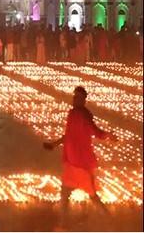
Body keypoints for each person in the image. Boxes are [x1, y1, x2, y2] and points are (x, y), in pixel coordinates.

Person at [44, 86, 117, 228]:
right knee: (65, 195)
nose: (74, 99)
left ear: (84, 100)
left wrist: (108, 135)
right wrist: (54, 144)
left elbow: (96, 132)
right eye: (74, 96)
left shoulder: (84, 115)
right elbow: (68, 135)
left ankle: (111, 221)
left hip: (82, 165)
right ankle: (63, 224)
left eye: (78, 97)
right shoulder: (72, 114)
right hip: (72, 163)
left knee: (92, 196)